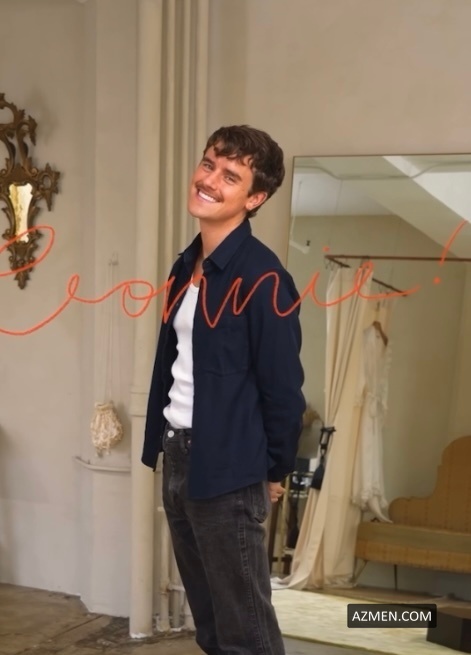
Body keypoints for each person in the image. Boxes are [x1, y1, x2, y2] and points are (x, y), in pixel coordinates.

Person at [142, 125, 305, 655]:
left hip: (229, 468)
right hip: (178, 452)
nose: (209, 180)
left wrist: (274, 470)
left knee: (245, 634)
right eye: (209, 164)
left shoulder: (264, 278)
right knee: (211, 627)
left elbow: (283, 390)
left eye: (230, 176)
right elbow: (176, 364)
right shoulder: (186, 266)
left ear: (255, 199)